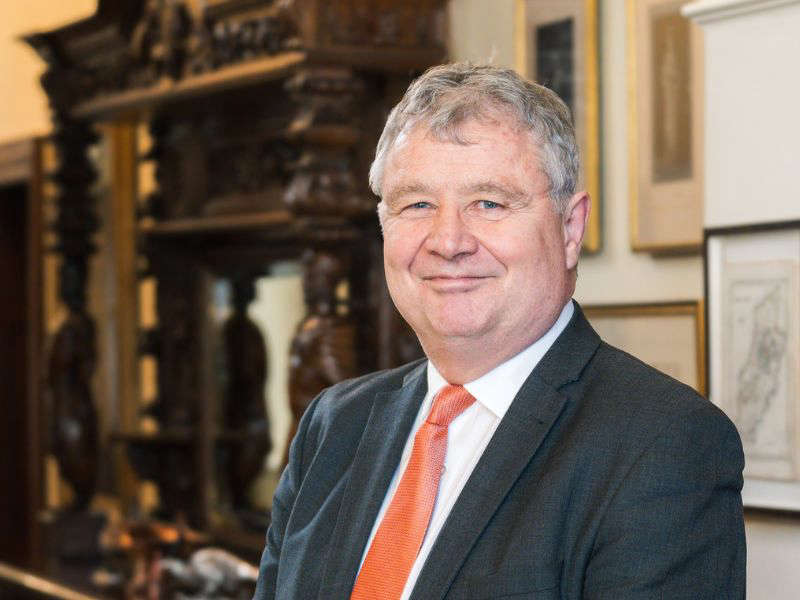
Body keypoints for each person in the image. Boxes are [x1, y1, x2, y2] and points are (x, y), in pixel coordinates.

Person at [253, 63, 745, 599]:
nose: (448, 242)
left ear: (570, 228)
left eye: (488, 203)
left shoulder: (663, 444)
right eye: (417, 204)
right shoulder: (333, 426)